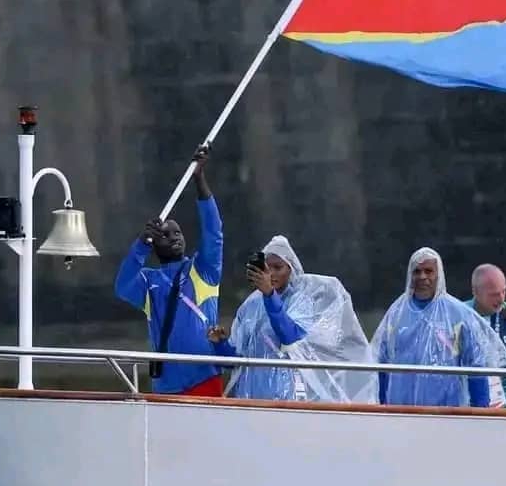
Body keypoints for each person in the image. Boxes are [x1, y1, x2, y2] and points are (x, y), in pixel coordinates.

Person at [207, 235, 377, 403]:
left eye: (277, 267)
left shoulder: (303, 299)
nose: (271, 273)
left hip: (288, 399)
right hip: (251, 399)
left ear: (291, 268)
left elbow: (291, 339)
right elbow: (238, 360)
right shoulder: (250, 307)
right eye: (267, 268)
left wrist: (269, 295)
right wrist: (220, 344)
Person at [114, 144, 223, 396]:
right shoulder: (148, 282)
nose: (174, 237)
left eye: (178, 233)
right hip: (165, 384)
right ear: (154, 244)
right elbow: (122, 286)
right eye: (165, 234)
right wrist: (140, 246)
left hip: (203, 378)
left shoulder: (203, 270)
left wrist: (199, 180)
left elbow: (214, 232)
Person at [373, 247, 506, 408]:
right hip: (401, 411)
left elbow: (476, 367)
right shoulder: (396, 313)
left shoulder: (458, 314)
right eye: (417, 271)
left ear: (439, 274)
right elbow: (381, 362)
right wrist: (382, 406)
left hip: (446, 413)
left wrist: (482, 411)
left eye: (429, 271)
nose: (423, 276)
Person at [466, 264, 506, 407]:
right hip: (470, 412)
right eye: (494, 294)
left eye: (504, 291)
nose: (501, 299)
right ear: (475, 292)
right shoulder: (459, 317)